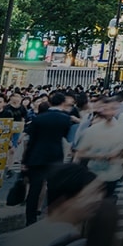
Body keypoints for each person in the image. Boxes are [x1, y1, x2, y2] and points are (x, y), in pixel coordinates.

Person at [19, 92, 78, 224]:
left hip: (36, 157)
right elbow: (65, 135)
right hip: (55, 157)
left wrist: (25, 160)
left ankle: (30, 219)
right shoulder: (65, 119)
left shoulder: (39, 118)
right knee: (53, 189)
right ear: (63, 103)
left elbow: (32, 141)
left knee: (34, 190)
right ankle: (51, 218)